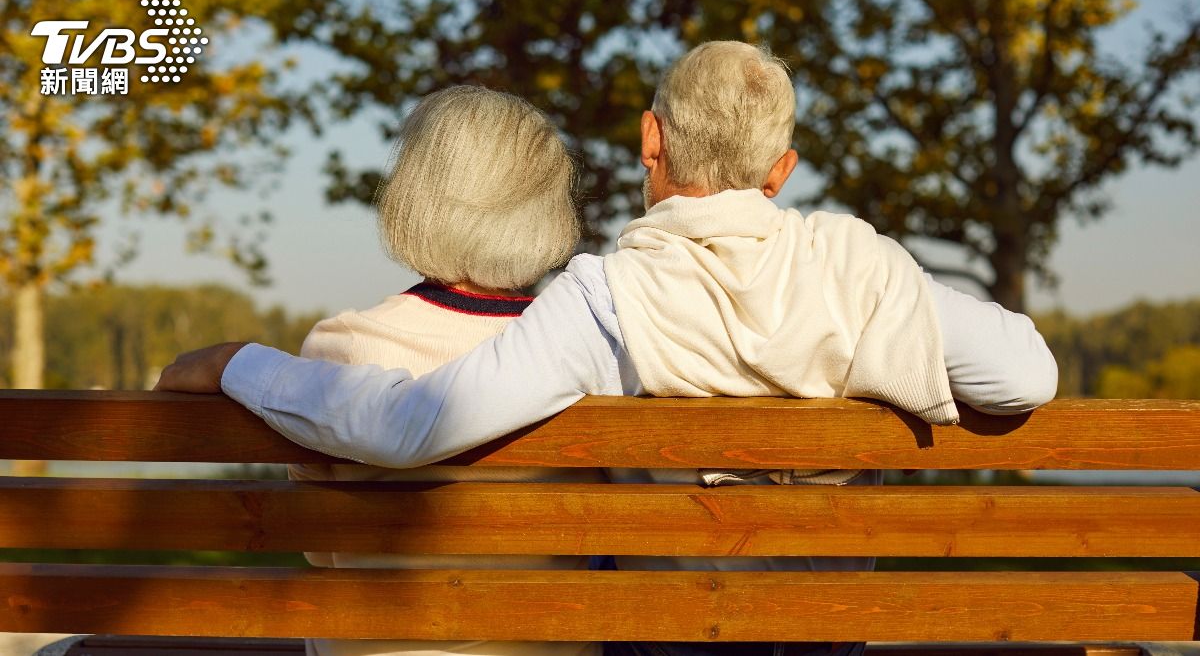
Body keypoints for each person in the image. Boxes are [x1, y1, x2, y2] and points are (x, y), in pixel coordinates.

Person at [158, 42, 1058, 656]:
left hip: (664, 635)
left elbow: (411, 424)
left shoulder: (607, 296)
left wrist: (240, 362)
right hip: (827, 630)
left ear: (650, 139)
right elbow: (1025, 376)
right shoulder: (862, 266)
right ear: (780, 172)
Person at [279, 85, 600, 656]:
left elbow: (318, 549)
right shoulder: (582, 353)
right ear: (549, 209)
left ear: (415, 196)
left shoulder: (342, 347)